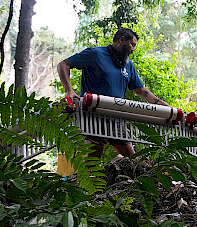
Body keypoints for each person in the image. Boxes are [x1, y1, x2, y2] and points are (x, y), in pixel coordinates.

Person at [57, 27, 168, 158]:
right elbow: (63, 64)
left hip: (115, 118)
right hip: (93, 116)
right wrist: (69, 90)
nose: (133, 49)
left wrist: (161, 104)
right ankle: (87, 178)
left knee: (132, 157)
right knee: (94, 156)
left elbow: (141, 90)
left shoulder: (128, 65)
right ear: (121, 40)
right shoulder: (95, 54)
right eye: (132, 44)